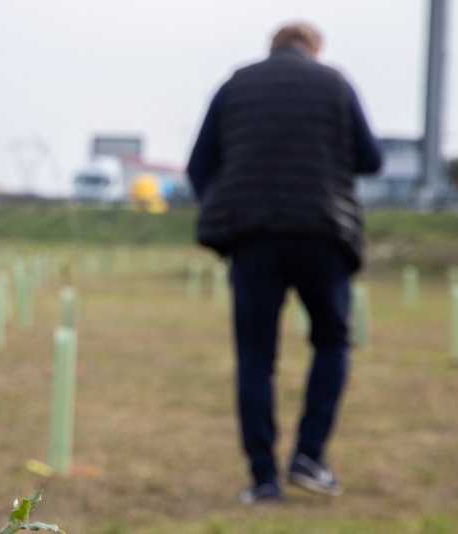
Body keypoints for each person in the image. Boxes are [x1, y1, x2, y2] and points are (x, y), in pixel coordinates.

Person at [186, 22, 382, 503]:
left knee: (256, 358)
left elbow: (198, 165)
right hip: (322, 233)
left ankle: (263, 480)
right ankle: (309, 456)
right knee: (332, 341)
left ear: (272, 48)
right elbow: (372, 159)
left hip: (253, 238)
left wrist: (224, 203)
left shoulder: (236, 84)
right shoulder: (335, 84)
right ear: (315, 50)